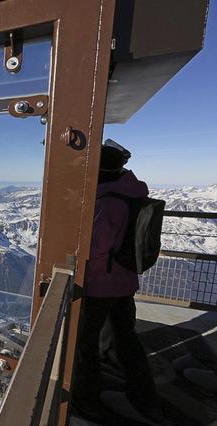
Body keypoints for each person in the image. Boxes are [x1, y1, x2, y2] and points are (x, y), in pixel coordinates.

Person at [73, 139, 163, 422]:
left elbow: (94, 249)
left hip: (100, 284)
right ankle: (143, 394)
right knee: (126, 339)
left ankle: (87, 399)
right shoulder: (132, 191)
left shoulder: (107, 200)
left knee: (85, 345)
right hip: (125, 281)